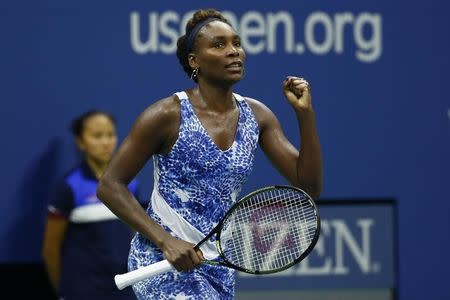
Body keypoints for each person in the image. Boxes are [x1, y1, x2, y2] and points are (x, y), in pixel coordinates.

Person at [96, 8, 322, 300]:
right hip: (160, 260)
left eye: (237, 43)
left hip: (216, 265)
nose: (233, 52)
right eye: (219, 45)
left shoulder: (258, 116)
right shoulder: (166, 114)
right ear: (194, 61)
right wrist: (166, 241)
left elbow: (310, 186)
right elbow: (110, 185)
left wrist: (305, 115)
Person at [42, 110, 143, 300]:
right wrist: (64, 292)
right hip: (82, 289)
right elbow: (50, 249)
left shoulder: (132, 183)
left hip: (125, 287)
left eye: (110, 135)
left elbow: (134, 236)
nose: (106, 142)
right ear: (80, 142)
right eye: (97, 136)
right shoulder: (68, 186)